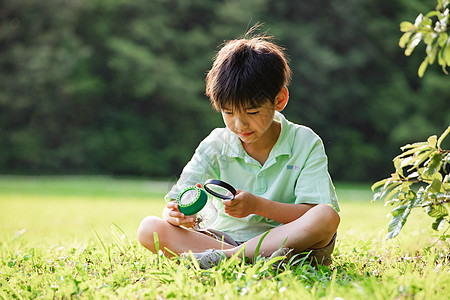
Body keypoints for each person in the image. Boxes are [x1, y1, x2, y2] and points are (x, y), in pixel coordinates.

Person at [137, 33, 340, 269]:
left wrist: (258, 206)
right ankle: (248, 259)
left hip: (289, 240)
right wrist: (175, 215)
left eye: (252, 113)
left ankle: (230, 259)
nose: (239, 125)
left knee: (326, 216)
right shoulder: (215, 145)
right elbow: (177, 201)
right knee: (149, 228)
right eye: (229, 112)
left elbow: (312, 213)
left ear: (280, 100)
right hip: (222, 239)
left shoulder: (304, 141)